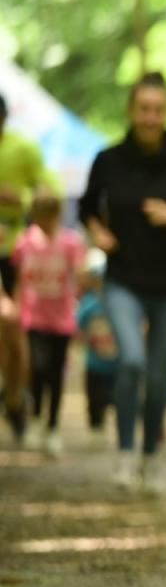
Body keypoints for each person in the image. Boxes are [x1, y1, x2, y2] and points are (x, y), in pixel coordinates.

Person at [79, 72, 166, 491]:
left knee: (158, 377)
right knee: (131, 362)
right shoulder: (109, 159)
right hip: (123, 280)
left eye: (158, 110)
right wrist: (97, 233)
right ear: (131, 111)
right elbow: (87, 206)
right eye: (144, 109)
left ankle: (150, 458)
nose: (151, 117)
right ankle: (124, 454)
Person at [0, 92, 58, 441]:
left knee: (15, 328)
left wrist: (19, 199)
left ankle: (15, 399)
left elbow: (51, 191)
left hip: (17, 252)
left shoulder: (23, 149)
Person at [13, 187, 87, 456]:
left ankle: (53, 426)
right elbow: (20, 279)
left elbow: (79, 276)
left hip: (62, 318)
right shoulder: (25, 242)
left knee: (56, 372)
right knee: (38, 366)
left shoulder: (70, 242)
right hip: (34, 316)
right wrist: (17, 309)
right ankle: (35, 416)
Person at [77, 251, 118, 440]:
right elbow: (78, 323)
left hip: (115, 363)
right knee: (94, 399)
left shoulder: (119, 304)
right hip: (94, 363)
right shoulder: (89, 303)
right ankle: (96, 427)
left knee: (113, 398)